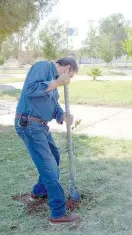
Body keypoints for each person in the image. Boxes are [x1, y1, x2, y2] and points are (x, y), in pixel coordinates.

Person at [14, 57, 80, 224]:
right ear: (65, 68)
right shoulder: (43, 67)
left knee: (55, 155)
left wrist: (62, 115)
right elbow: (30, 89)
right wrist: (57, 82)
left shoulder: (54, 82)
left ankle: (39, 191)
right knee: (50, 167)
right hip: (29, 123)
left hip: (40, 126)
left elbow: (54, 105)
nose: (68, 81)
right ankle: (58, 213)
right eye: (70, 76)